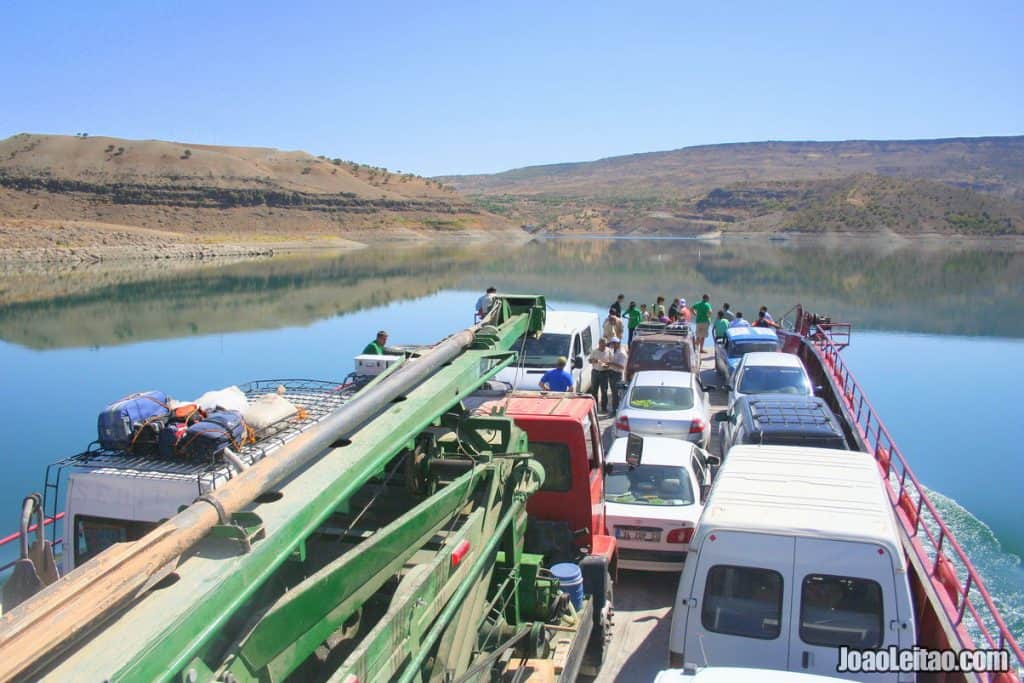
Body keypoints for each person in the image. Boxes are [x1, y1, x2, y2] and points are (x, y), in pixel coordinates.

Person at [588, 338, 612, 411]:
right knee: (594, 391)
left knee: (604, 391)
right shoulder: (594, 351)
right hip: (595, 372)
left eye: (604, 345)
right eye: (602, 345)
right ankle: (595, 407)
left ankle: (604, 408)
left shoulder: (609, 350)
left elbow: (611, 361)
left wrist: (608, 365)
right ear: (599, 344)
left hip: (604, 373)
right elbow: (589, 360)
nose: (603, 347)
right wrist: (594, 361)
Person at [607, 338, 628, 412]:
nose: (612, 345)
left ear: (617, 343)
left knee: (616, 394)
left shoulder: (622, 353)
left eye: (613, 343)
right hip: (612, 373)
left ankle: (616, 411)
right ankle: (614, 410)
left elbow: (622, 367)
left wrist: (611, 364)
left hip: (617, 375)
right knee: (614, 394)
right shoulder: (614, 351)